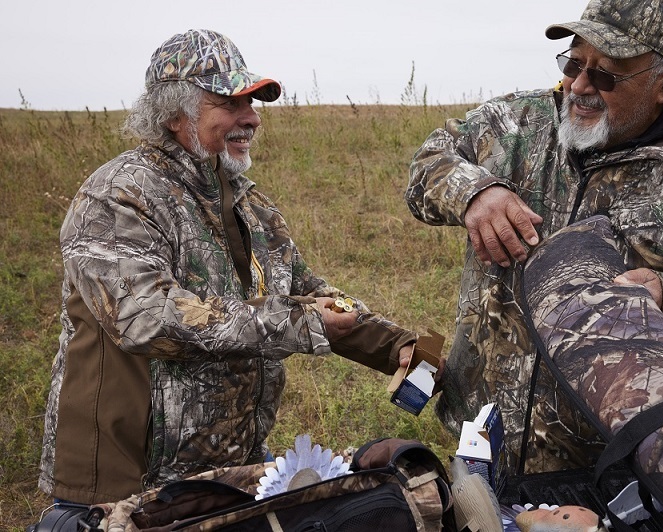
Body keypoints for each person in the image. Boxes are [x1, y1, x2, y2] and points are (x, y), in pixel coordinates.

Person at [39, 29, 422, 505]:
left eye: (254, 102)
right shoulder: (117, 195)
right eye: (231, 103)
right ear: (174, 113)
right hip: (129, 476)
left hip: (225, 468)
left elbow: (303, 287)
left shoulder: (244, 197)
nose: (252, 118)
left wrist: (397, 347)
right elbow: (144, 318)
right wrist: (300, 323)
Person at [406, 0, 663, 475]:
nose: (580, 87)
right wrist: (473, 193)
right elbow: (429, 161)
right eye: (573, 63)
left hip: (607, 463)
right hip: (479, 437)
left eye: (607, 75)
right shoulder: (514, 124)